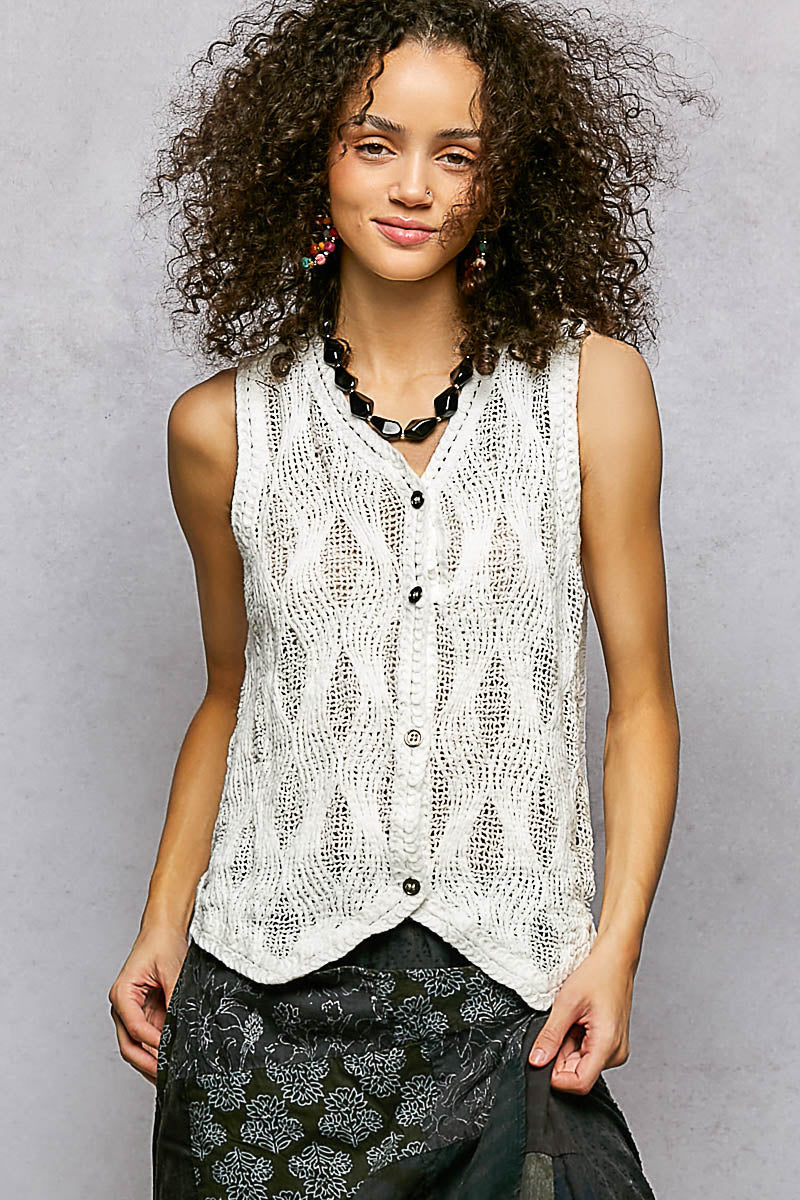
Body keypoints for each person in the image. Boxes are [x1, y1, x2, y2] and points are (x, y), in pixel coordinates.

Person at [108, 0, 706, 1194]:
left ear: (504, 180)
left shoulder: (590, 391)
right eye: (374, 144)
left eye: (457, 154)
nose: (414, 187)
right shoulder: (222, 430)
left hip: (510, 999)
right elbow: (230, 697)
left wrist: (615, 947)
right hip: (257, 1017)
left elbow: (638, 702)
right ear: (310, 160)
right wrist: (161, 921)